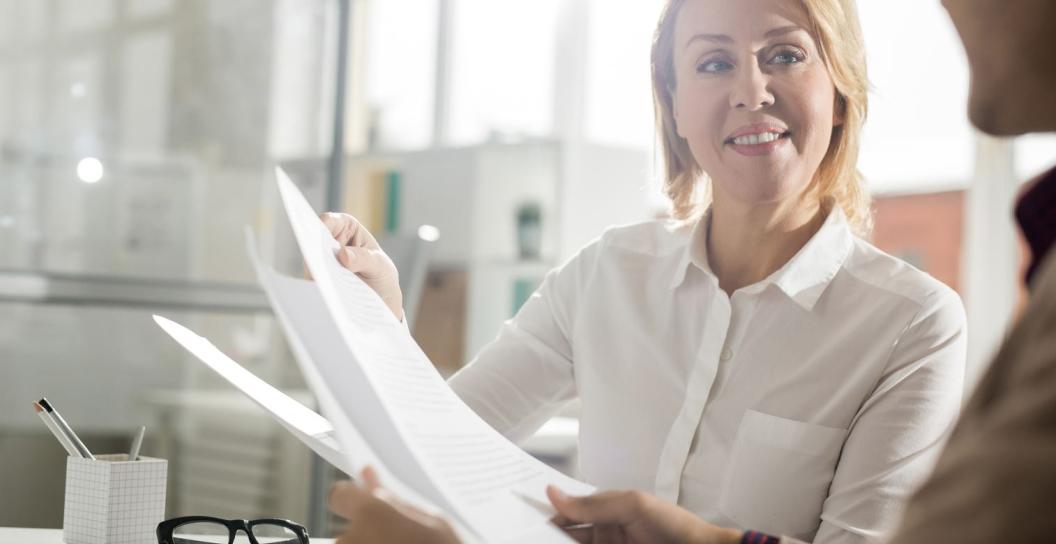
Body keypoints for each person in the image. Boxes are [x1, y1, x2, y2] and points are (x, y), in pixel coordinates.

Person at [329, 0, 1056, 542]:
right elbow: (437, 442)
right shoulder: (608, 272)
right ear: (675, 107)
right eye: (712, 63)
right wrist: (381, 321)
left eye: (785, 55)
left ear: (841, 92)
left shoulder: (912, 322)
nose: (751, 90)